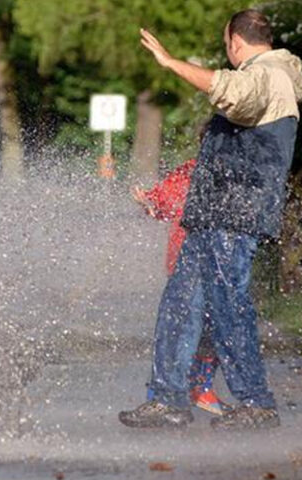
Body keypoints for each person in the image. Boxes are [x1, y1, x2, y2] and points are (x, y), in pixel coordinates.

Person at [120, 10, 302, 430]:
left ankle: (256, 402)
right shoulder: (269, 73)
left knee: (228, 305)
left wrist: (171, 63)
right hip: (212, 214)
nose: (227, 52)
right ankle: (168, 398)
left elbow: (231, 91)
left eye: (226, 46)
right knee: (180, 303)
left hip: (233, 215)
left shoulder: (270, 74)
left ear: (236, 43)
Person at [132, 157, 226, 416]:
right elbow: (164, 201)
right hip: (187, 263)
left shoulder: (232, 169)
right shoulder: (193, 169)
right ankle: (167, 394)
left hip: (218, 265)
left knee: (210, 330)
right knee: (183, 328)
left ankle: (197, 388)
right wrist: (149, 200)